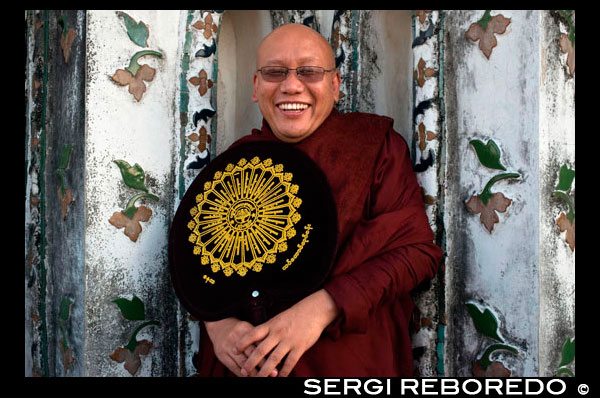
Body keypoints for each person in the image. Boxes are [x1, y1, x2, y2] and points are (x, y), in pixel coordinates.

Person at [196, 23, 443, 377]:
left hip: (346, 363)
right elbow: (197, 265)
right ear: (255, 86)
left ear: (335, 85)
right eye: (274, 72)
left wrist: (322, 308)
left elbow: (417, 253)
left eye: (309, 72)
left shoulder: (375, 147)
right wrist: (216, 323)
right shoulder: (236, 162)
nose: (291, 85)